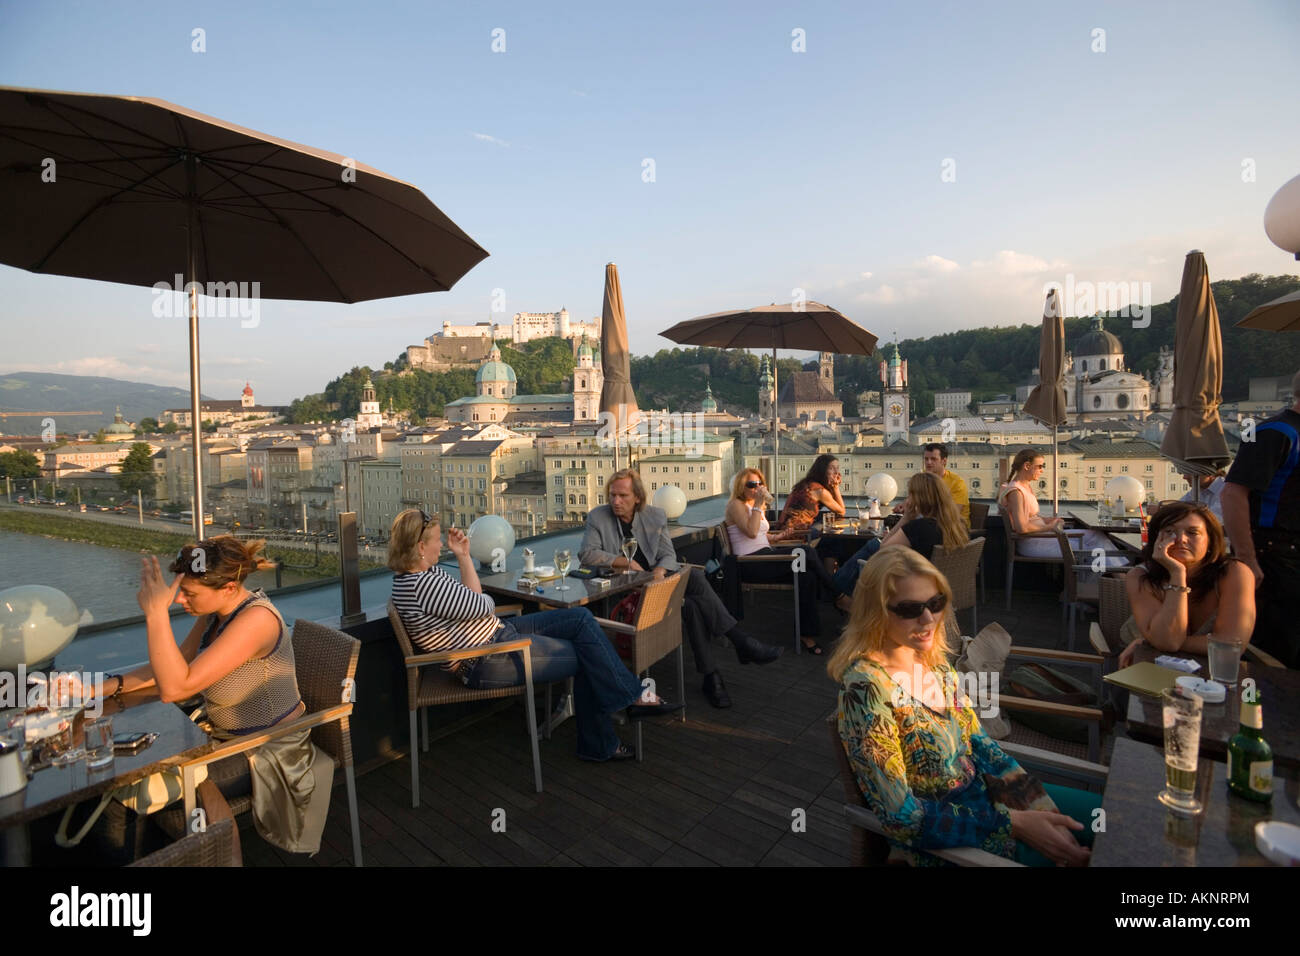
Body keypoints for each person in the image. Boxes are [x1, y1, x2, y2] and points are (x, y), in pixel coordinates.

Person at [831, 548, 1094, 867]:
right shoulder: (867, 690)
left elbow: (981, 745)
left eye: (935, 603)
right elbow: (903, 818)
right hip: (945, 838)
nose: (928, 619)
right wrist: (1017, 824)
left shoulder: (932, 662)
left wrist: (1038, 807)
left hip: (988, 796)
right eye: (910, 608)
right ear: (877, 613)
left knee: (1111, 817)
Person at [86, 537, 333, 854]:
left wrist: (155, 615)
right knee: (132, 780)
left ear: (229, 587)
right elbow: (175, 665)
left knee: (129, 790)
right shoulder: (215, 612)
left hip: (266, 751)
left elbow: (176, 687)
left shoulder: (256, 621)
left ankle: (204, 854)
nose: (179, 600)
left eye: (189, 594)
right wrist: (99, 688)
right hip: (221, 739)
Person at [389, 508, 679, 762]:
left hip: (498, 633)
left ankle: (628, 700)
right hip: (483, 658)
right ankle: (607, 733)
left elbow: (473, 601)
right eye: (436, 540)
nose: (441, 544)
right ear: (418, 547)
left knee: (581, 619)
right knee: (587, 651)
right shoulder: (423, 585)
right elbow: (482, 601)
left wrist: (464, 556)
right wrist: (480, 602)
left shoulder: (415, 578)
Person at [580, 469, 781, 709]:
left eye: (622, 495)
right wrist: (626, 562)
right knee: (694, 598)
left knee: (694, 588)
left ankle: (717, 670)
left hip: (658, 585)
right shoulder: (598, 517)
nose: (615, 501)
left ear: (637, 497)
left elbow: (668, 555)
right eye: (612, 495)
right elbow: (587, 554)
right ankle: (733, 651)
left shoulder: (654, 515)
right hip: (627, 592)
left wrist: (659, 573)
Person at [1221, 369, 1300, 668]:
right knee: (1277, 654)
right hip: (1276, 558)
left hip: (1286, 556)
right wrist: (1247, 559)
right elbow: (1233, 494)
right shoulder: (1275, 432)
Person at [724, 467, 845, 655]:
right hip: (749, 564)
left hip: (766, 557)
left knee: (807, 575)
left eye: (760, 484)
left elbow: (762, 536)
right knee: (805, 552)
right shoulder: (736, 505)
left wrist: (779, 537)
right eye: (751, 484)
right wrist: (758, 504)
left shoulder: (755, 506)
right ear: (741, 485)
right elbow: (751, 532)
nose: (757, 488)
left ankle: (807, 634)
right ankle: (838, 596)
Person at [1117, 502, 1255, 667]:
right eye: (1169, 532)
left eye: (1192, 532)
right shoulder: (1141, 576)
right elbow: (1167, 641)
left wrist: (1147, 642)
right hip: (1145, 664)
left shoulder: (1234, 573)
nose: (1181, 539)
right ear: (1156, 538)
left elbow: (1231, 645)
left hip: (1209, 672)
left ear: (1210, 540)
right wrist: (1177, 573)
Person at [833, 471, 969, 599]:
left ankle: (836, 590)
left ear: (919, 498)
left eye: (910, 495)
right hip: (940, 587)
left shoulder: (919, 528)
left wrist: (906, 518)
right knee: (873, 545)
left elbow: (884, 549)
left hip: (909, 588)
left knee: (874, 545)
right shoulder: (958, 526)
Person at [999, 448, 1123, 563]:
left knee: (1096, 535)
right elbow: (1022, 528)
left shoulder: (1024, 487)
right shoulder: (1016, 492)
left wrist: (1048, 520)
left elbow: (1030, 517)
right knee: (1091, 549)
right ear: (1027, 466)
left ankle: (1119, 577)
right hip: (1034, 543)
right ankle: (1114, 580)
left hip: (1042, 538)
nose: (1042, 470)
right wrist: (1050, 526)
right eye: (1040, 466)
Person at [894, 443, 970, 527]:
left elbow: (953, 514)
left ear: (944, 461)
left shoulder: (957, 483)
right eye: (926, 459)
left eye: (933, 459)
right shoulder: (923, 479)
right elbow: (911, 500)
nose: (928, 462)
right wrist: (902, 506)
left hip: (953, 529)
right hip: (928, 524)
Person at [777, 453, 846, 531]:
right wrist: (836, 487)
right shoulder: (819, 491)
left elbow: (782, 517)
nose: (836, 472)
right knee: (830, 528)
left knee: (824, 524)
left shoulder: (803, 485)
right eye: (832, 468)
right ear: (822, 471)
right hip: (798, 534)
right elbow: (841, 512)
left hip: (783, 530)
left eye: (837, 468)